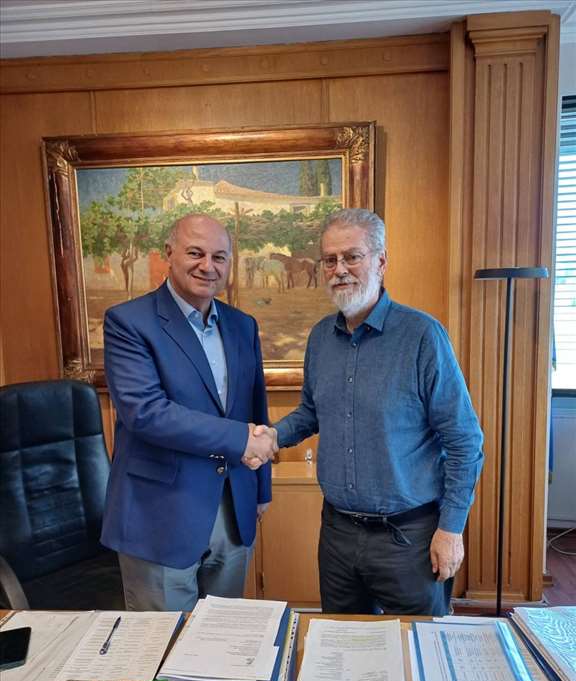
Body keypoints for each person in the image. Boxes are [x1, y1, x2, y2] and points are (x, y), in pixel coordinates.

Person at [253, 208, 484, 615]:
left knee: (414, 647)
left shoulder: (422, 336)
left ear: (380, 261)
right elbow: (310, 412)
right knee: (341, 645)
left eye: (352, 256)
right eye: (330, 260)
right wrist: (273, 436)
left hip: (408, 539)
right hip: (337, 534)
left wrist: (451, 528)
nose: (339, 269)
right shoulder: (320, 338)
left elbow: (465, 440)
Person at [101, 213, 276, 611]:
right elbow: (147, 413)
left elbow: (255, 408)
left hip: (233, 509)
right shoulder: (128, 322)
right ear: (169, 253)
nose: (207, 266)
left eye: (219, 257)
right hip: (159, 516)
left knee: (220, 637)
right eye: (195, 253)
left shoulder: (242, 325)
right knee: (163, 643)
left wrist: (261, 488)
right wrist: (241, 439)